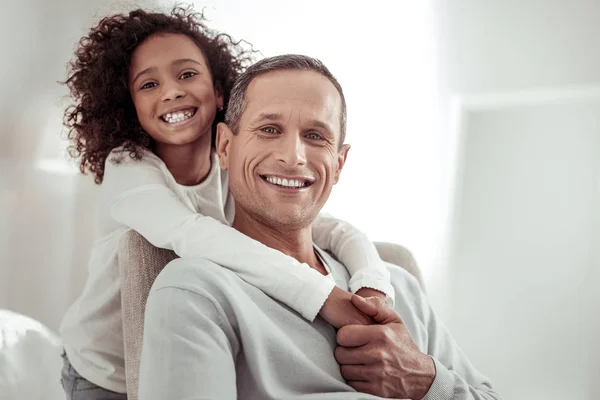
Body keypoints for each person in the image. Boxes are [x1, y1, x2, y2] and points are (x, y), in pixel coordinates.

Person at [58, 7, 395, 400]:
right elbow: (193, 235)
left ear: (219, 91)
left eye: (187, 74)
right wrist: (325, 296)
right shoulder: (128, 171)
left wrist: (372, 289)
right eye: (148, 85)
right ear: (128, 104)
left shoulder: (236, 167)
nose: (171, 91)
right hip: (104, 370)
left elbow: (333, 229)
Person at [139, 54, 502, 400]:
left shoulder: (399, 287)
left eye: (315, 136)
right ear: (224, 147)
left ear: (339, 163)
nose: (293, 156)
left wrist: (423, 378)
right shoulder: (197, 293)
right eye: (269, 129)